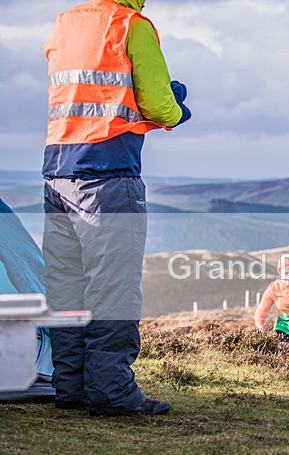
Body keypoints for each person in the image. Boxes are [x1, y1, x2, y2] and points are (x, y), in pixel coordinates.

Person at [42, 0, 191, 416]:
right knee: (114, 288)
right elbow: (159, 106)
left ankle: (71, 387)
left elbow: (86, 97)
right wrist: (177, 108)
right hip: (107, 178)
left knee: (67, 287)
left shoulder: (64, 24)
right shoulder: (131, 25)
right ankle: (111, 392)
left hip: (57, 174)